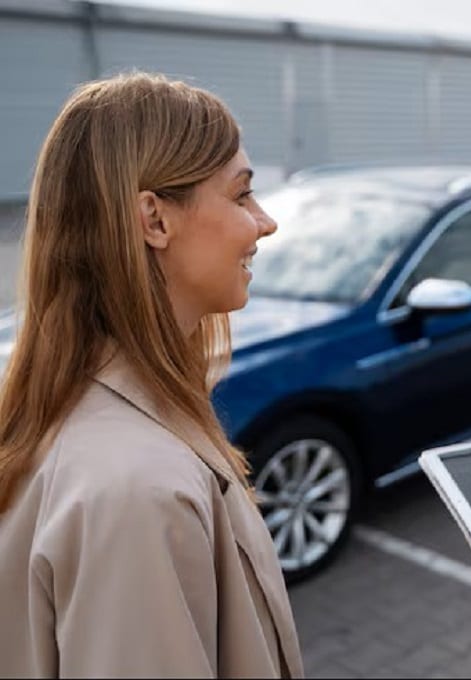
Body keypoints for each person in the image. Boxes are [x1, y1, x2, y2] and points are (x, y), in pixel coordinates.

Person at [0, 73, 303, 677]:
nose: (264, 223)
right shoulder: (137, 491)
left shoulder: (82, 410)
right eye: (242, 195)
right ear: (154, 220)